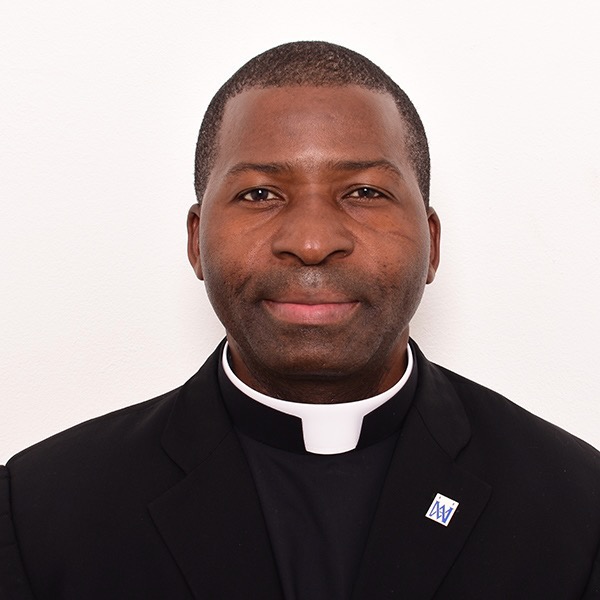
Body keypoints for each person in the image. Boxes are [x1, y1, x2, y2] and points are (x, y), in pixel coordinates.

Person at [1, 41, 598, 600]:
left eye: (364, 192)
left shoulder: (578, 507)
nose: (312, 243)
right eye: (260, 194)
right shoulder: (39, 511)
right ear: (196, 243)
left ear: (433, 245)